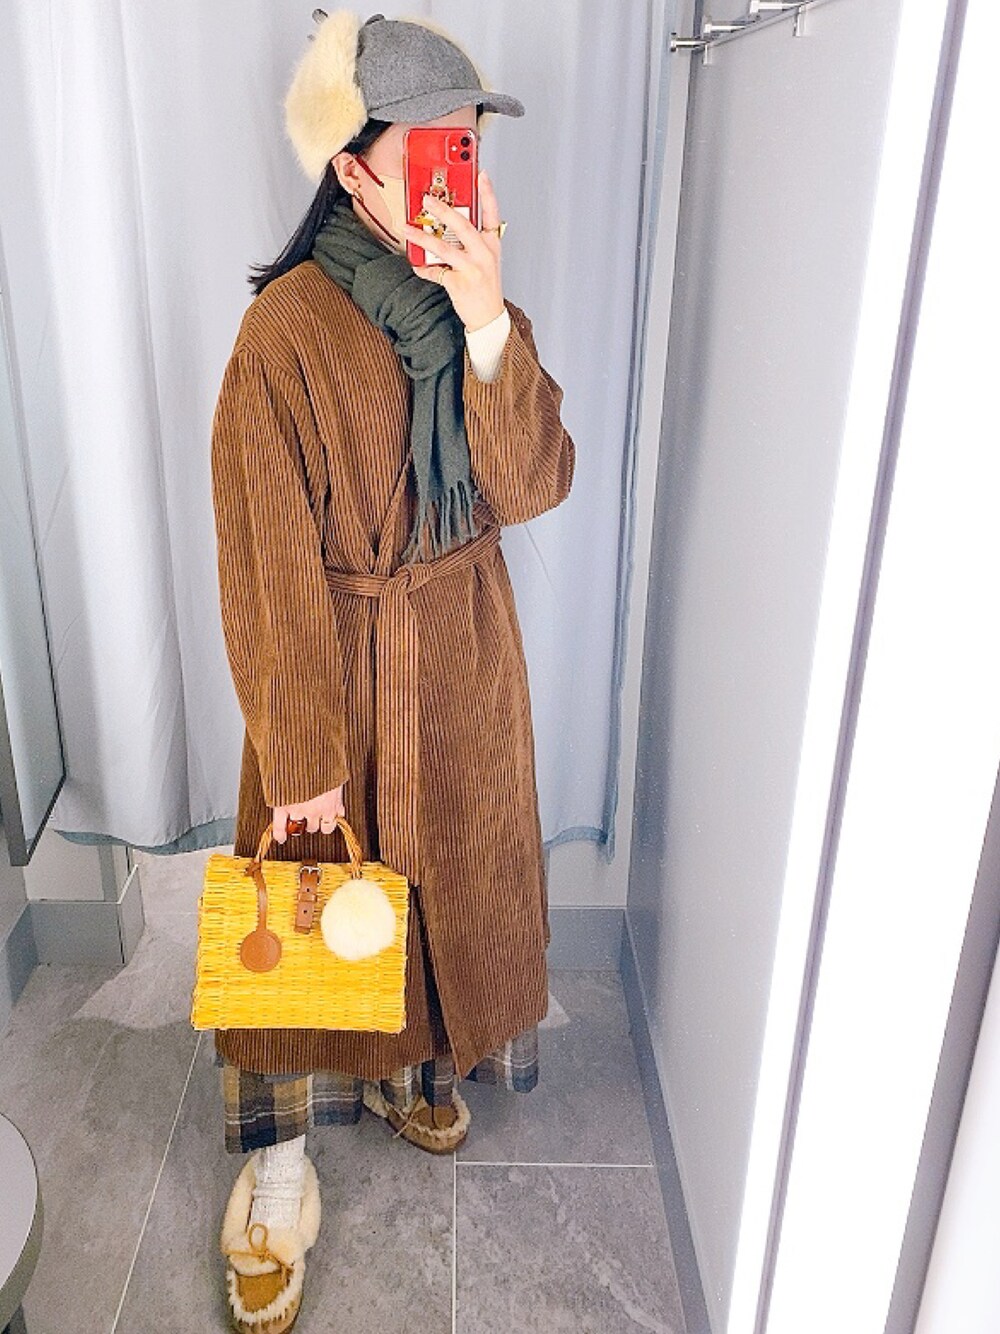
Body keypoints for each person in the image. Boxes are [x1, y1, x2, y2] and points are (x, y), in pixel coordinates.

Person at [210, 11, 575, 1329]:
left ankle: (413, 1063)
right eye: (434, 151)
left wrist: (486, 327)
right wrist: (302, 754)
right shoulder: (284, 333)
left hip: (462, 654)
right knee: (309, 902)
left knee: (446, 876)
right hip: (339, 664)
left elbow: (534, 482)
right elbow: (265, 561)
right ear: (355, 170)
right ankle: (278, 1170)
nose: (459, 182)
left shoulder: (483, 309)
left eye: (470, 150)